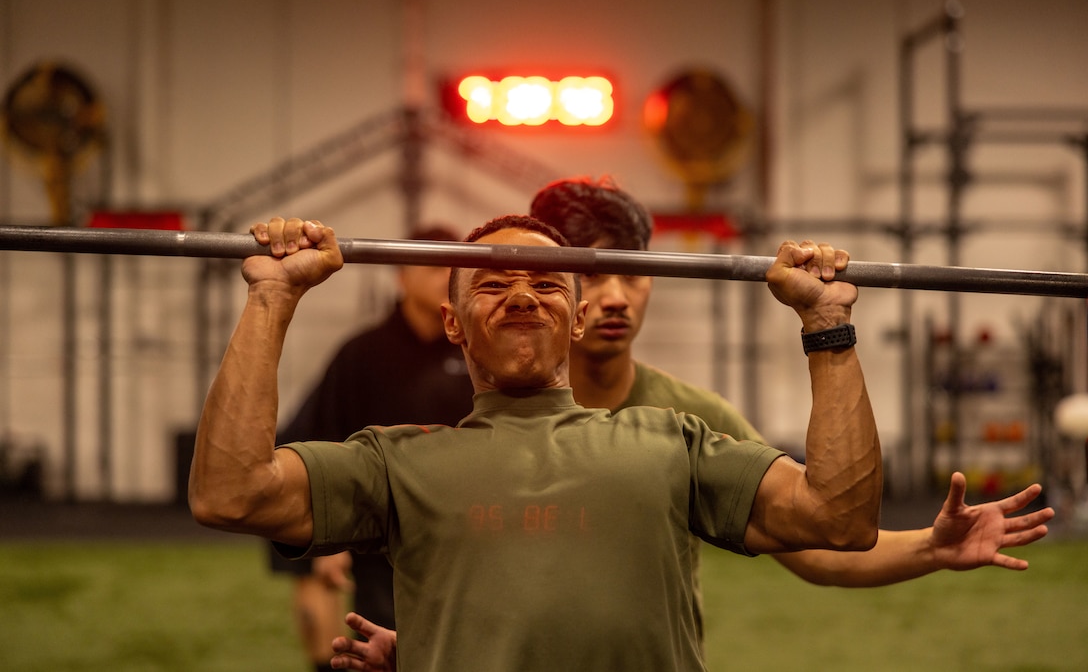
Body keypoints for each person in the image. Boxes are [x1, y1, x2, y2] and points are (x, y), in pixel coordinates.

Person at [326, 178, 1055, 671]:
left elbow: (821, 544)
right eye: (596, 272)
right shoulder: (463, 411)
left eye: (632, 272)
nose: (616, 297)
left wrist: (930, 544)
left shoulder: (688, 420)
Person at [190, 212, 884, 671]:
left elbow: (838, 519)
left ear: (579, 318)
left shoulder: (673, 442)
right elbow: (230, 495)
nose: (521, 295)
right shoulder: (394, 463)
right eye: (493, 284)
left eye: (546, 283)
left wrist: (825, 322)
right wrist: (271, 298)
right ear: (454, 325)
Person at [268, 225, 473, 672]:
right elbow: (318, 436)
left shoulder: (476, 352)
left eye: (450, 266)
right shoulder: (361, 354)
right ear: (401, 276)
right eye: (429, 263)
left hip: (462, 531)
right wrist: (329, 542)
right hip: (379, 539)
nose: (442, 275)